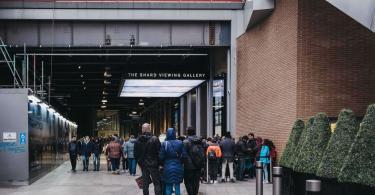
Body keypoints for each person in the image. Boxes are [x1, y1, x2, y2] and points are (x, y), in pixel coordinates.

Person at [134, 123, 162, 195]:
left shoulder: (138, 140)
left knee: (145, 184)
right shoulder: (155, 139)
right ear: (149, 129)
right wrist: (160, 163)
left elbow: (136, 154)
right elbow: (159, 152)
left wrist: (139, 163)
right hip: (154, 164)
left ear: (143, 129)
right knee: (157, 183)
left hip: (144, 164)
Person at [159, 128, 186, 195]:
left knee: (168, 186)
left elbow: (161, 157)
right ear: (174, 134)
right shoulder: (180, 143)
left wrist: (162, 164)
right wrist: (180, 162)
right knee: (177, 186)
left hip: (167, 167)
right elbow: (185, 155)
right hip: (178, 166)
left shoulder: (164, 144)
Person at [183, 127, 205, 195]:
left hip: (188, 166)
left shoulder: (185, 142)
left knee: (188, 181)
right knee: (196, 181)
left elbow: (184, 154)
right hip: (198, 165)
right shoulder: (200, 141)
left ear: (188, 132)